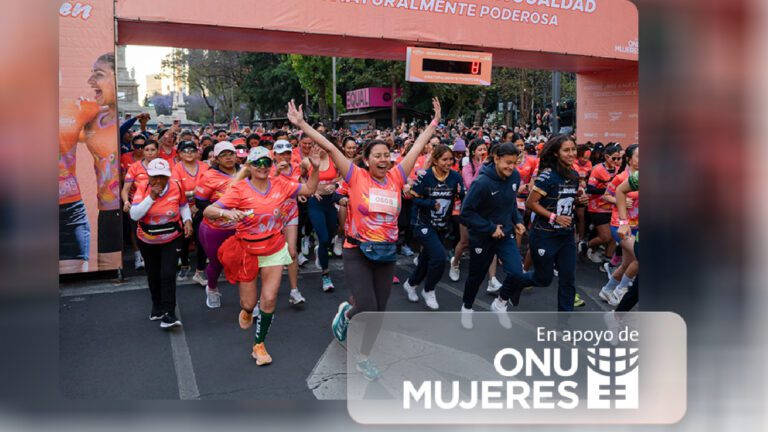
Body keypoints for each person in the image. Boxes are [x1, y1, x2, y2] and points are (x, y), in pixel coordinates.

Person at [288, 97, 441, 380]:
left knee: (379, 312)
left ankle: (364, 355)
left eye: (387, 155)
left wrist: (433, 123)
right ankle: (346, 317)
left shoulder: (397, 176)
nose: (384, 159)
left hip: (386, 252)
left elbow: (419, 146)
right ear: (367, 160)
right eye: (377, 156)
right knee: (367, 308)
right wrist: (302, 125)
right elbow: (332, 148)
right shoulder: (355, 175)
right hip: (356, 251)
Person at [203, 146, 320, 366]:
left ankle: (259, 344)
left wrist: (315, 168)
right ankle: (247, 310)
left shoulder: (280, 184)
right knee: (249, 303)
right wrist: (227, 212)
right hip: (247, 250)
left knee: (269, 297)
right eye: (258, 163)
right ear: (249, 166)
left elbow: (310, 188)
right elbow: (209, 211)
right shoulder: (239, 189)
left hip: (274, 248)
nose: (263, 168)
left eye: (267, 163)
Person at [460, 143, 530, 330]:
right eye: (507, 162)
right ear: (496, 158)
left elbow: (511, 204)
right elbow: (465, 213)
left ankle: (500, 303)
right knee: (476, 276)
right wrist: (490, 227)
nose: (511, 167)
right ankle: (467, 308)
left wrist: (518, 221)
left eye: (514, 163)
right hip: (482, 236)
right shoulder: (482, 182)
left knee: (516, 273)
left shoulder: (514, 176)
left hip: (505, 233)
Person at [525, 135, 590, 312]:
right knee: (543, 279)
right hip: (545, 234)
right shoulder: (547, 176)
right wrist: (554, 217)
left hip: (566, 234)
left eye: (573, 149)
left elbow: (568, 202)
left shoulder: (575, 175)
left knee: (568, 279)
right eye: (566, 150)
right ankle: (513, 283)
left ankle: (564, 324)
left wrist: (579, 200)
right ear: (555, 153)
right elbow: (530, 203)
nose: (571, 154)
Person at [130, 158, 193, 329]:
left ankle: (169, 314)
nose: (158, 181)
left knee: (168, 273)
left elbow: (183, 206)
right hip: (147, 239)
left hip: (171, 238)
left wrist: (187, 220)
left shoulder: (175, 186)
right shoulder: (142, 188)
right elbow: (134, 215)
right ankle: (157, 306)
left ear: (168, 176)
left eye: (162, 177)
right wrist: (152, 197)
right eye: (155, 177)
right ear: (149, 176)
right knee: (153, 274)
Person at [402, 144, 465, 310]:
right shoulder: (426, 176)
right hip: (422, 223)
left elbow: (462, 196)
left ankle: (411, 283)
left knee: (426, 259)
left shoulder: (455, 177)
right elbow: (414, 198)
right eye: (444, 159)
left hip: (442, 225)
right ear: (435, 161)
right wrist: (431, 203)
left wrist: (462, 193)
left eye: (451, 159)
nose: (448, 162)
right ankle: (429, 290)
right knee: (438, 257)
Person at [452, 139, 502, 292]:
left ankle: (492, 280)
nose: (483, 152)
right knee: (465, 242)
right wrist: (481, 167)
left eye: (484, 149)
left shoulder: (490, 167)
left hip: (486, 209)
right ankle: (455, 263)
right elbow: (470, 184)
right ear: (473, 152)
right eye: (480, 149)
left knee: (491, 241)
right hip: (469, 209)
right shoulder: (468, 168)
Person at [194, 141, 240, 309]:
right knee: (216, 263)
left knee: (245, 262)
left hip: (241, 227)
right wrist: (222, 212)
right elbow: (200, 202)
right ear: (217, 159)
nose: (228, 158)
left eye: (231, 154)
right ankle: (212, 289)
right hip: (215, 229)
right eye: (223, 155)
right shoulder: (209, 176)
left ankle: (249, 301)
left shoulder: (245, 173)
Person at [600, 144, 639, 305]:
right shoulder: (621, 178)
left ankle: (607, 290)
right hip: (620, 225)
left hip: (637, 226)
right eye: (639, 157)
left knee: (628, 263)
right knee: (640, 257)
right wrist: (620, 200)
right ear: (629, 159)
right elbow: (606, 196)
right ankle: (620, 290)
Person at [271, 139, 307, 305]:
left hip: (291, 212)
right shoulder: (268, 168)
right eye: (281, 153)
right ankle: (264, 294)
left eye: (287, 153)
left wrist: (300, 193)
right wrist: (276, 173)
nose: (285, 156)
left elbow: (299, 185)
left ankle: (294, 290)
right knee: (270, 256)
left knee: (292, 252)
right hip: (271, 215)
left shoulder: (296, 168)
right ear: (275, 154)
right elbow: (264, 189)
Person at [305, 135, 341, 291]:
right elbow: (297, 177)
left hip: (330, 202)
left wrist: (336, 185)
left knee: (331, 235)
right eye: (316, 144)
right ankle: (326, 276)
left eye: (322, 144)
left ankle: (320, 250)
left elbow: (343, 176)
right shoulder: (307, 161)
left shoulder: (335, 160)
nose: (319, 147)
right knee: (324, 238)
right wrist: (310, 190)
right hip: (315, 204)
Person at [171, 140, 210, 285]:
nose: (189, 153)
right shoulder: (177, 168)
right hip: (182, 207)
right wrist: (195, 193)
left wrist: (197, 202)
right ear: (179, 153)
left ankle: (200, 271)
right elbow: (176, 190)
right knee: (184, 239)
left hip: (202, 207)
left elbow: (209, 187)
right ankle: (185, 264)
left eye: (192, 150)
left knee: (201, 239)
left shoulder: (204, 166)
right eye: (185, 151)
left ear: (197, 152)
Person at [585, 144, 620, 263]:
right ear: (606, 157)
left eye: (618, 158)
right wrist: (607, 192)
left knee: (615, 237)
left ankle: (607, 263)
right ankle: (586, 246)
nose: (617, 161)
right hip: (597, 208)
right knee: (606, 236)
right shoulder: (598, 169)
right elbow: (589, 189)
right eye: (614, 158)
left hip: (613, 207)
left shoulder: (617, 169)